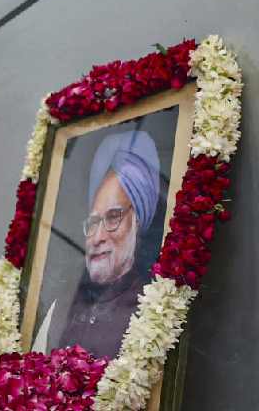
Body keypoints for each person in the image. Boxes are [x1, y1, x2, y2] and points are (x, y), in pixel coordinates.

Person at [57, 130, 162, 359]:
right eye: (93, 222)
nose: (97, 238)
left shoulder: (151, 309)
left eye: (113, 217)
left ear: (137, 222)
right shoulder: (76, 302)